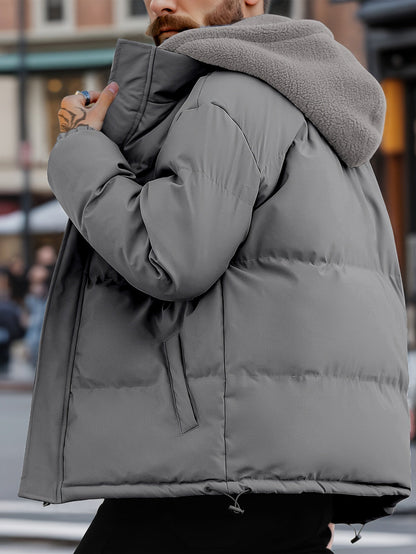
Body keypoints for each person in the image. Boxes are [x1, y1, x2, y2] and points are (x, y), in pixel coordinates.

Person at [18, 1, 411, 553]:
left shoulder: (230, 93)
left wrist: (82, 153)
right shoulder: (313, 102)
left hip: (221, 459)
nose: (161, 4)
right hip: (280, 456)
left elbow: (170, 256)